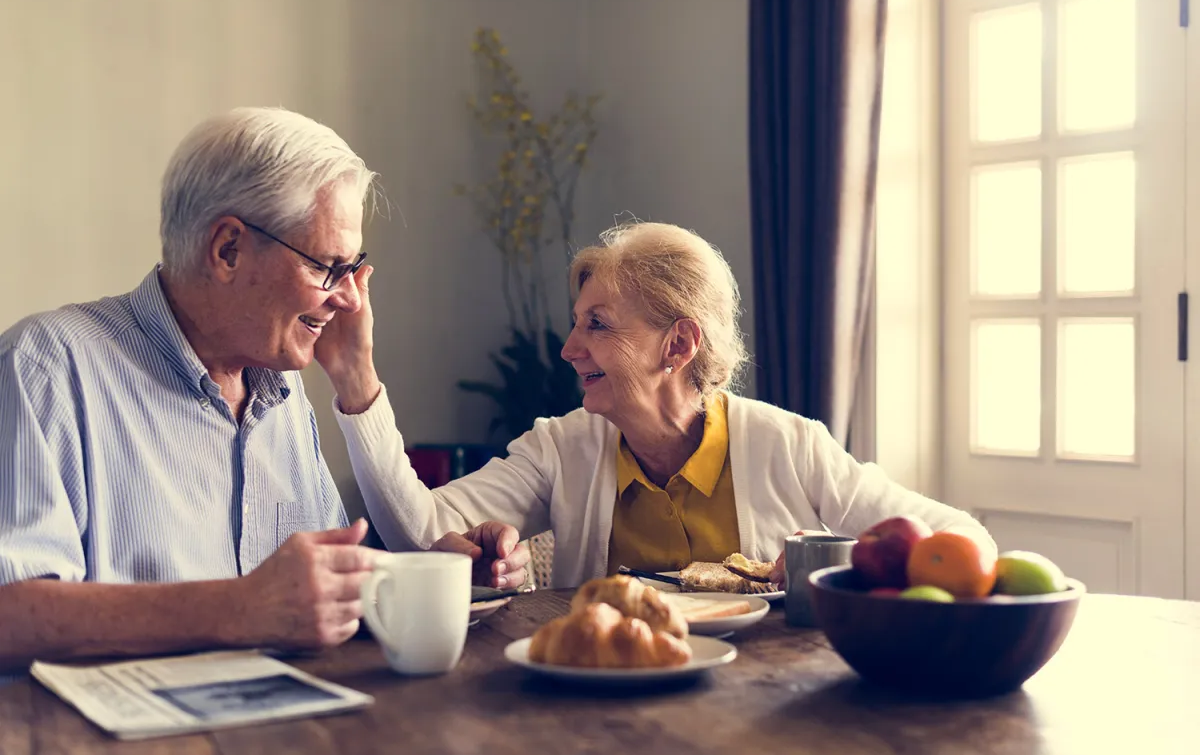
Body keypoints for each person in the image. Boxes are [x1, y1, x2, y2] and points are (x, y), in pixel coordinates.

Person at [0, 107, 527, 675]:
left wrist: (426, 580)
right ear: (228, 249)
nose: (349, 299)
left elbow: (307, 595)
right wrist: (238, 607)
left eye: (355, 269)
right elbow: (10, 615)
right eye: (328, 267)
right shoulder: (45, 366)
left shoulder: (280, 392)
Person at [320, 221, 994, 589]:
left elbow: (965, 538)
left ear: (677, 345)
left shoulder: (790, 445)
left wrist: (835, 563)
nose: (568, 348)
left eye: (598, 325)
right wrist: (356, 380)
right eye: (577, 321)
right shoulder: (562, 446)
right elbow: (420, 529)